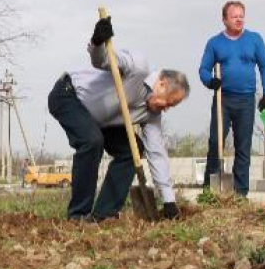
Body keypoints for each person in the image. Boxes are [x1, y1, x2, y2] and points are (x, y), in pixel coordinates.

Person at [49, 15, 189, 222]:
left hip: (101, 119)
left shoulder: (152, 115)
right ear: (161, 84)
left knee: (132, 150)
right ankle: (78, 214)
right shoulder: (138, 66)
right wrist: (98, 41)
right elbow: (103, 60)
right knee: (91, 141)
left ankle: (104, 213)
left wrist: (169, 201)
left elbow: (157, 154)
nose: (166, 109)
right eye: (168, 102)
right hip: (69, 95)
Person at [198, 0, 265, 196]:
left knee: (243, 146)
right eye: (234, 16)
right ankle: (210, 190)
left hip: (246, 100)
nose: (239, 19)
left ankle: (241, 193)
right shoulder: (215, 43)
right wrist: (210, 81)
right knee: (215, 142)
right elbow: (204, 69)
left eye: (241, 15)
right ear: (224, 19)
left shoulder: (255, 39)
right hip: (223, 100)